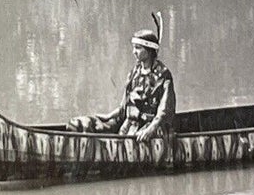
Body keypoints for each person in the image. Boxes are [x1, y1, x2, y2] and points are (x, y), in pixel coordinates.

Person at [69, 12, 176, 142]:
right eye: (133, 48)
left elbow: (164, 113)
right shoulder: (134, 73)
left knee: (130, 138)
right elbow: (124, 107)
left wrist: (150, 129)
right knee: (82, 124)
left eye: (138, 48)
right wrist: (107, 117)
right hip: (130, 125)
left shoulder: (163, 75)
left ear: (149, 51)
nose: (134, 52)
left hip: (152, 130)